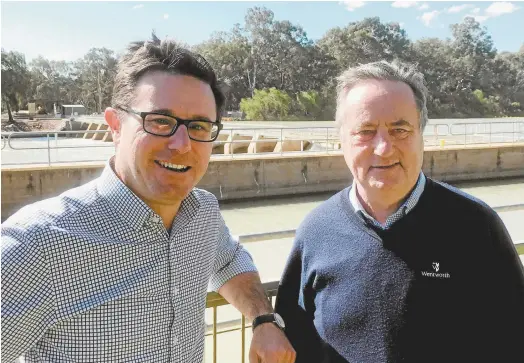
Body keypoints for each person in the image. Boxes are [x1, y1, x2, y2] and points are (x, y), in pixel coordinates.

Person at [2, 34, 295, 363]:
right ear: (115, 125)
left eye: (199, 126)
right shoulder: (36, 244)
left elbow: (229, 262)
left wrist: (263, 320)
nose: (182, 144)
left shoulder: (203, 213)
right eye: (160, 121)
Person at [274, 60, 524, 363]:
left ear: (422, 135)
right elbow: (295, 340)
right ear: (342, 141)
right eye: (365, 131)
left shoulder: (474, 225)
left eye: (400, 129)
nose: (383, 148)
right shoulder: (316, 230)